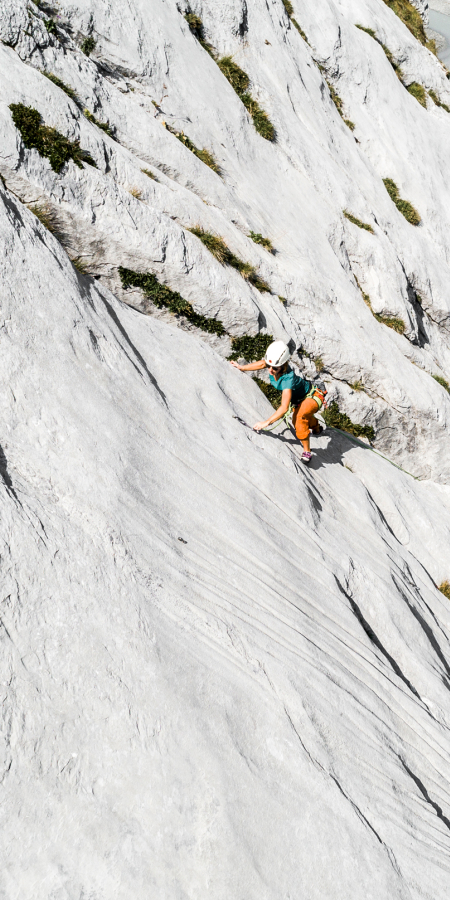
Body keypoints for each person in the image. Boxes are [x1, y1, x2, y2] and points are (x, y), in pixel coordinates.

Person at [230, 340, 326, 463]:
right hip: (300, 399)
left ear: (283, 365)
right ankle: (316, 427)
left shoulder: (287, 379)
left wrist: (266, 423)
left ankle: (307, 451)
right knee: (304, 412)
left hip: (312, 396)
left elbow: (284, 407)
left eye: (274, 368)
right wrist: (242, 367)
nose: (270, 370)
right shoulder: (275, 364)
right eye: (269, 366)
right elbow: (262, 364)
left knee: (299, 418)